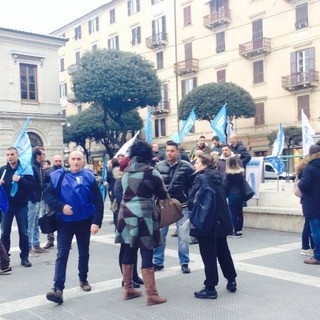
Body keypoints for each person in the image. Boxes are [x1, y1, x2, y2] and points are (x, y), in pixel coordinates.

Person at [44, 150, 104, 304]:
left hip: (84, 221)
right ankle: (58, 289)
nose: (76, 161)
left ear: (82, 161)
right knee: (62, 254)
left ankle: (83, 279)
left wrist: (96, 222)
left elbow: (98, 201)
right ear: (68, 160)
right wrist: (61, 206)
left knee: (84, 252)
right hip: (64, 223)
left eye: (79, 159)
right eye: (73, 159)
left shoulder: (89, 177)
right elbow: (48, 196)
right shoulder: (58, 176)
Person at [115, 140, 168, 306]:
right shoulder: (151, 172)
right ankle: (151, 294)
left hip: (125, 215)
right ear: (148, 156)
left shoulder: (125, 173)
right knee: (147, 252)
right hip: (143, 215)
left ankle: (128, 289)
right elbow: (163, 194)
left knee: (128, 251)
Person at [188, 153, 237, 299]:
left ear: (204, 164)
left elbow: (192, 201)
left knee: (208, 255)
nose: (195, 165)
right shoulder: (218, 177)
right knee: (223, 251)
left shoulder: (201, 178)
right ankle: (231, 280)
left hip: (207, 221)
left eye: (197, 162)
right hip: (222, 220)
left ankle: (210, 287)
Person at [153, 140, 194, 274]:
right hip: (164, 205)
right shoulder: (158, 166)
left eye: (172, 151)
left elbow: (193, 186)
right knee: (160, 234)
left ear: (178, 151)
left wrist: (190, 200)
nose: (169, 153)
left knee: (183, 235)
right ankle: (157, 261)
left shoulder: (187, 167)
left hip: (182, 205)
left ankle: (184, 262)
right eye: (168, 151)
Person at [0, 147, 36, 268]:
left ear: (17, 155)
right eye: (8, 154)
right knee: (5, 232)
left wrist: (21, 180)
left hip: (21, 205)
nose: (10, 157)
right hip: (7, 206)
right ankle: (4, 258)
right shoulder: (3, 170)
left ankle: (24, 257)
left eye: (12, 154)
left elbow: (32, 186)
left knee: (23, 231)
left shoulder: (25, 170)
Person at [298, 145, 320, 265]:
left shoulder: (309, 168)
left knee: (316, 231)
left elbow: (304, 185)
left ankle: (317, 256)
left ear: (310, 155)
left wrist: (300, 184)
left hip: (313, 204)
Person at [28, 146, 48, 257]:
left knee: (35, 223)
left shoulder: (38, 166)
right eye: (43, 154)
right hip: (32, 199)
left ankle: (36, 245)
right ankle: (29, 247)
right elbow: (32, 184)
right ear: (38, 156)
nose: (45, 156)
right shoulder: (32, 167)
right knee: (30, 225)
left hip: (38, 199)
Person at [43, 154, 63, 249]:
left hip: (62, 199)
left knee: (62, 219)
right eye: (56, 161)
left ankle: (63, 239)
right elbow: (44, 184)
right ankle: (50, 240)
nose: (58, 163)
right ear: (53, 161)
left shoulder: (65, 172)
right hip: (51, 199)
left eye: (59, 161)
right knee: (50, 218)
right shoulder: (47, 172)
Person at [225, 157, 245, 238]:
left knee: (233, 213)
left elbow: (226, 185)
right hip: (240, 195)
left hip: (231, 195)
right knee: (240, 213)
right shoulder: (241, 172)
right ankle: (239, 230)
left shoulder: (228, 173)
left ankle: (235, 230)